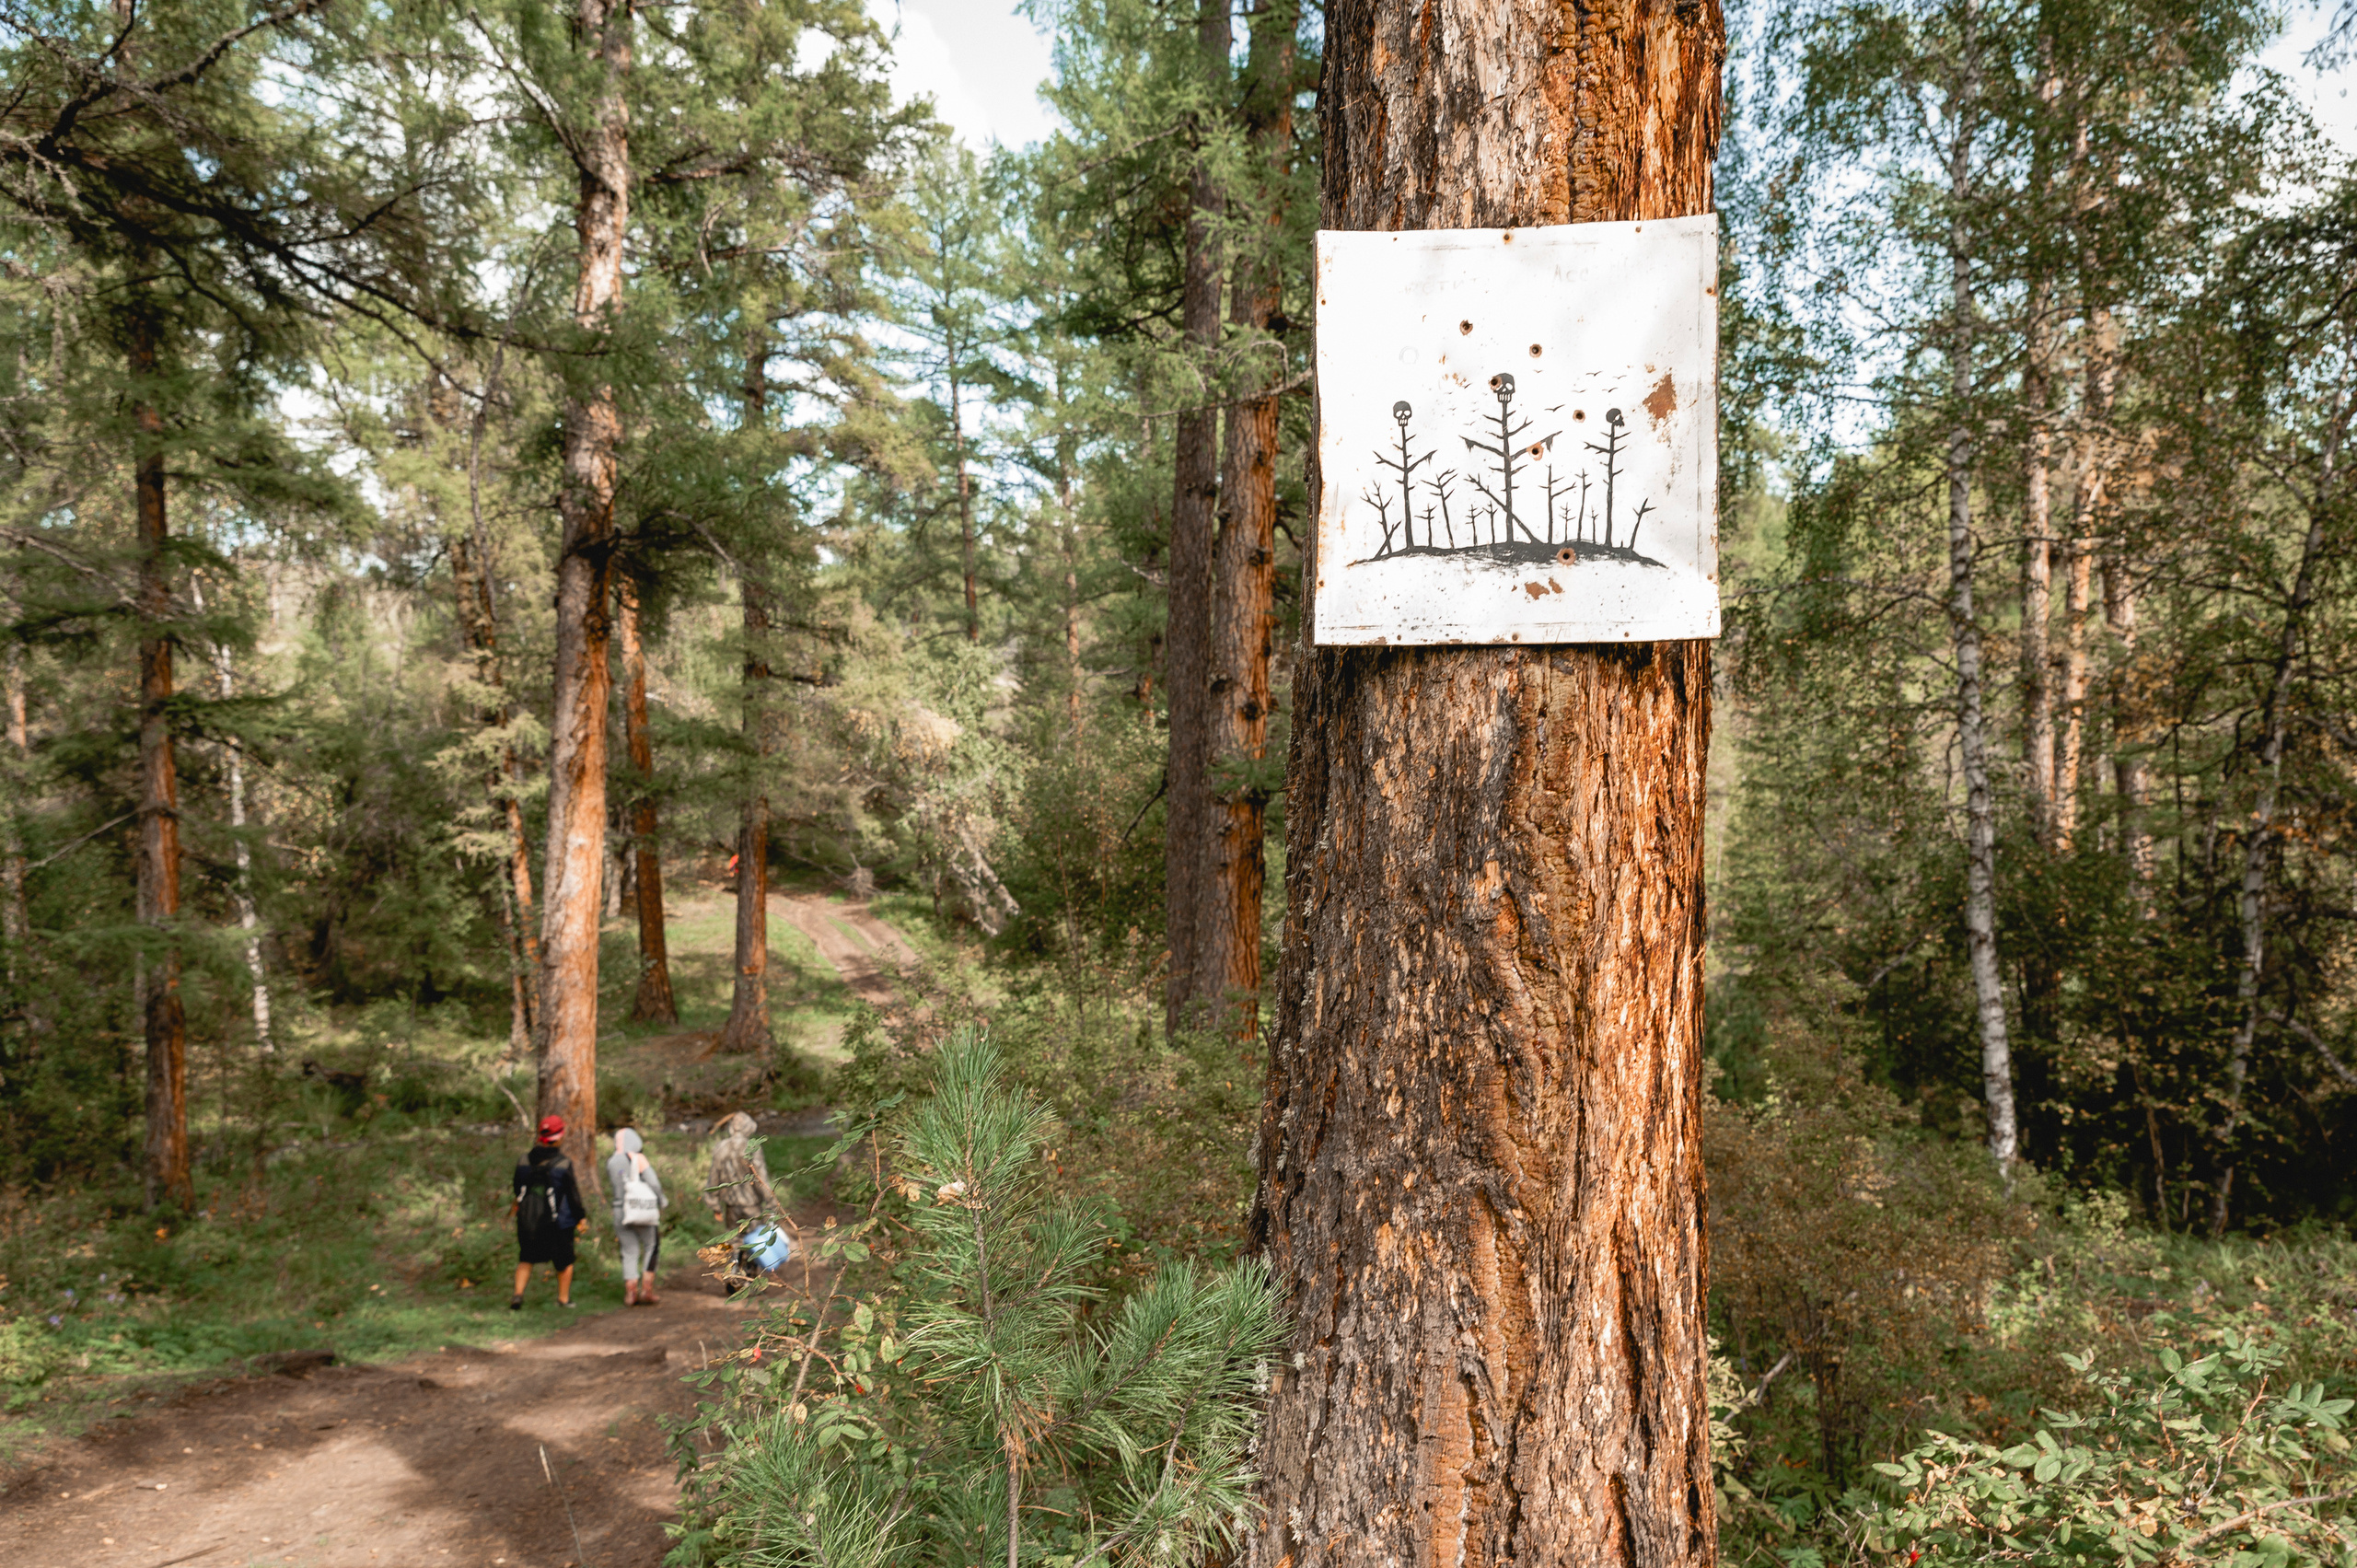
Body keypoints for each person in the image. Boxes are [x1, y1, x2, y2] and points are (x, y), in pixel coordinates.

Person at [510, 1114, 587, 1310]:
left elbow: (517, 1189)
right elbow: (572, 1194)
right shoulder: (563, 1163)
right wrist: (581, 1217)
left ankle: (518, 1295)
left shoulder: (523, 1160)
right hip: (559, 1222)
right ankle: (563, 1299)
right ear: (560, 1136)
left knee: (526, 1258)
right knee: (565, 1261)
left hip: (529, 1220)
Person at [707, 1111, 785, 1295]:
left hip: (731, 1205)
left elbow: (713, 1177)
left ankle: (733, 1276)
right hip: (752, 1205)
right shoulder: (752, 1148)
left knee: (734, 1240)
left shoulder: (721, 1148)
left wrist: (713, 1203)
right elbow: (761, 1178)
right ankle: (749, 1278)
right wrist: (771, 1201)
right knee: (753, 1240)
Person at [606, 1127, 668, 1307]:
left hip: (619, 1211)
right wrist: (661, 1199)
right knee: (651, 1245)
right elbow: (653, 1182)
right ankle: (647, 1290)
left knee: (629, 1251)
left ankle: (630, 1293)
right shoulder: (638, 1158)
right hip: (641, 1210)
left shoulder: (611, 1162)